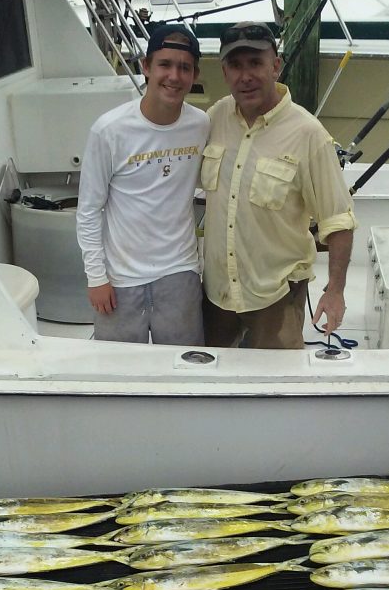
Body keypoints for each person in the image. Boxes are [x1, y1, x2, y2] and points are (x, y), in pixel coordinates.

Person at [201, 22, 356, 349]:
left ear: (276, 66)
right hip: (216, 293)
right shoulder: (214, 118)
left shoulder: (308, 134)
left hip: (276, 296)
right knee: (211, 389)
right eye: (236, 65)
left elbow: (338, 220)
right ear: (224, 71)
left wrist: (336, 291)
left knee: (276, 392)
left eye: (255, 63)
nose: (246, 76)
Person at [76, 24, 209, 344]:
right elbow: (89, 209)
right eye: (164, 64)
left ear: (194, 75)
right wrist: (96, 277)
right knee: (117, 375)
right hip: (119, 280)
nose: (174, 76)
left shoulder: (201, 124)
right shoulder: (108, 130)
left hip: (180, 273)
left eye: (184, 68)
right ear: (146, 67)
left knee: (185, 370)